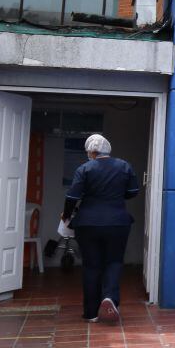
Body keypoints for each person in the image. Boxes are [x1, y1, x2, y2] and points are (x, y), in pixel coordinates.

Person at [63, 134, 139, 323]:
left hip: (87, 224)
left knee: (91, 266)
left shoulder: (85, 168)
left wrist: (66, 216)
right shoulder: (124, 166)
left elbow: (72, 197)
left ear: (91, 152)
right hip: (117, 222)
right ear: (108, 149)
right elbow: (132, 192)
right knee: (114, 261)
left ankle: (91, 313)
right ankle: (109, 297)